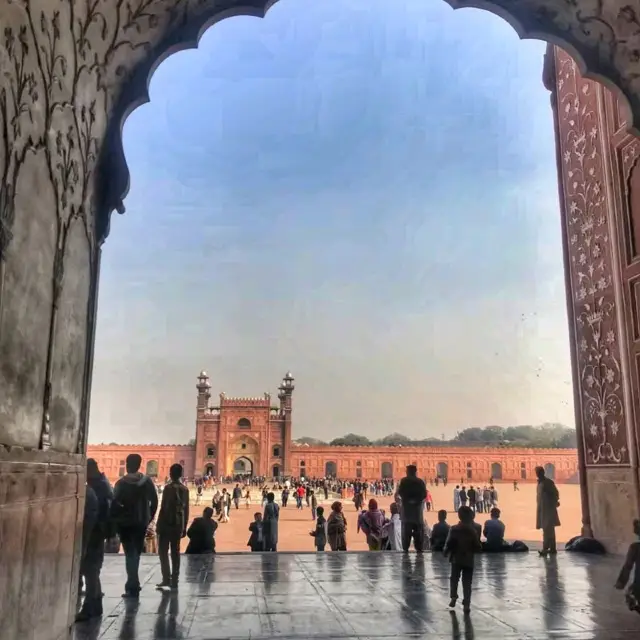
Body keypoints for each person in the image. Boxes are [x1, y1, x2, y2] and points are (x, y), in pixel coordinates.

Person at [110, 453, 158, 598]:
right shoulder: (146, 482)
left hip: (126, 523)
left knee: (129, 553)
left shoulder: (121, 483)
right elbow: (154, 502)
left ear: (127, 465)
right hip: (141, 522)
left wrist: (116, 519)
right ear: (139, 465)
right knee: (135, 553)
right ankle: (133, 584)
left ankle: (132, 585)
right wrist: (148, 517)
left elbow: (114, 504)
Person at [156, 463, 190, 590]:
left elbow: (163, 508)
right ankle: (175, 579)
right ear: (181, 474)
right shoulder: (185, 489)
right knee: (175, 552)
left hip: (166, 524)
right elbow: (186, 510)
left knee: (163, 551)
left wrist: (159, 524)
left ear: (171, 474)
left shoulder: (168, 488)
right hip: (177, 524)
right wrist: (184, 526)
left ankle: (166, 578)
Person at [444, 506, 482, 613]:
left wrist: (446, 551)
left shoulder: (454, 529)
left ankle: (453, 597)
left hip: (456, 559)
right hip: (469, 560)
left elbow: (448, 543)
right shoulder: (473, 531)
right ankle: (466, 604)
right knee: (467, 583)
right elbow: (478, 547)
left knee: (454, 579)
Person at [76, 483, 100, 622]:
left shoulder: (89, 492)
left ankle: (90, 607)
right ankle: (95, 605)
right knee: (93, 570)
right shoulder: (98, 488)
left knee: (90, 570)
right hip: (95, 535)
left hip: (90, 537)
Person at [396, 465, 427, 552]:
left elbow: (400, 492)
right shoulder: (420, 482)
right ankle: (419, 550)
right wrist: (416, 501)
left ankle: (405, 550)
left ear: (408, 471)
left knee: (406, 533)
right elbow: (424, 494)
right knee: (419, 533)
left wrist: (408, 500)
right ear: (415, 471)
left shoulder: (404, 481)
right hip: (417, 511)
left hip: (407, 511)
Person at [615, 519, 640, 614]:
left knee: (631, 594)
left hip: (638, 587)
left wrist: (621, 583)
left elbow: (628, 566)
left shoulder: (635, 547)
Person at [535, 466, 560, 556]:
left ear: (542, 473)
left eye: (539, 472)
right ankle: (552, 549)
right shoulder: (540, 483)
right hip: (542, 510)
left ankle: (545, 549)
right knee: (550, 530)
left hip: (548, 510)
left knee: (547, 530)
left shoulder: (548, 482)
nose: (537, 474)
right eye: (537, 472)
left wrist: (554, 502)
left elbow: (556, 494)